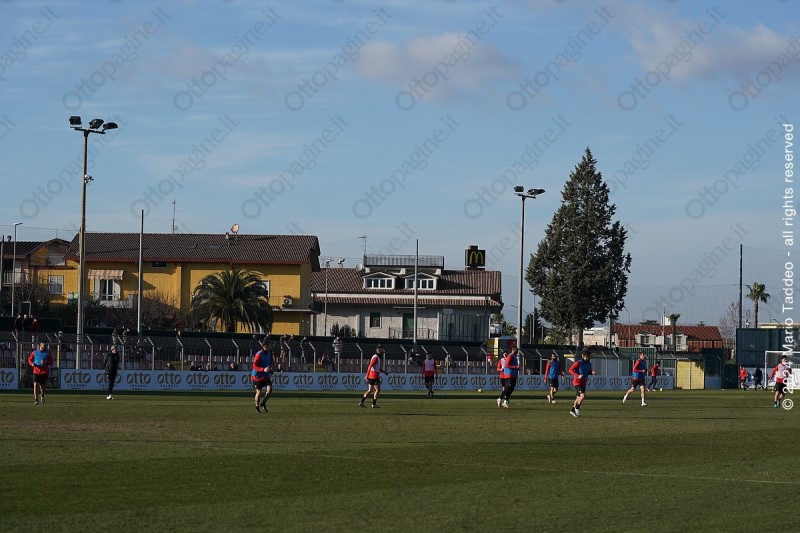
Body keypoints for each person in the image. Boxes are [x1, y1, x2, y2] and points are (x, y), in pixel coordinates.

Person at [568, 349, 596, 417]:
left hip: (584, 382)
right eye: (589, 356)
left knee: (578, 398)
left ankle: (572, 410)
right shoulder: (578, 362)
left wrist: (592, 372)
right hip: (577, 382)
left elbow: (588, 371)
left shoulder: (589, 363)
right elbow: (570, 370)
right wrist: (577, 375)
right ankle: (577, 408)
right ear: (585, 356)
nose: (590, 357)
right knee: (583, 395)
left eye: (590, 356)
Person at [251, 341, 273, 413]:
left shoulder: (269, 353)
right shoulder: (259, 354)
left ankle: (263, 403)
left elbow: (268, 363)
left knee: (269, 390)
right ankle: (257, 407)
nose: (270, 347)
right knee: (259, 393)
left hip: (266, 375)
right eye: (269, 345)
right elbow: (254, 366)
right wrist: (263, 369)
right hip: (258, 376)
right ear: (264, 346)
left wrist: (270, 370)